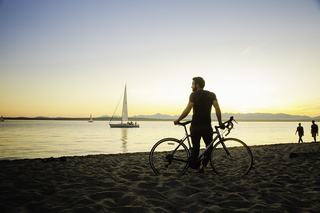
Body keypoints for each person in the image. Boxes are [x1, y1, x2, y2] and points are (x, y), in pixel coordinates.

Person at [174, 77, 224, 173]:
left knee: (196, 149)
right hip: (207, 126)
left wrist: (178, 120)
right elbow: (217, 109)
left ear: (197, 85)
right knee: (209, 148)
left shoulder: (193, 95)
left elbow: (188, 110)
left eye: (192, 84)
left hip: (195, 126)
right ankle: (202, 167)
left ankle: (195, 165)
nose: (191, 86)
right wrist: (220, 122)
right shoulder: (211, 95)